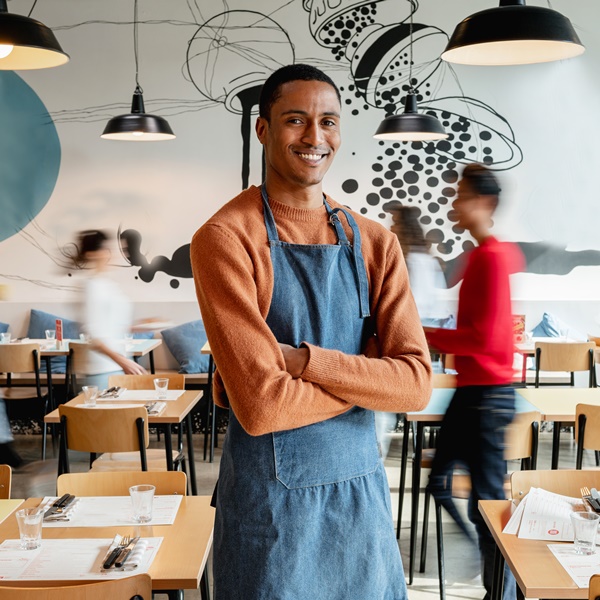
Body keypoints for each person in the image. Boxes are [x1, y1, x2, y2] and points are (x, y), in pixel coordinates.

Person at [191, 64, 432, 599]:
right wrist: (369, 381)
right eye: (295, 120)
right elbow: (262, 407)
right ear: (263, 129)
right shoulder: (226, 238)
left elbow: (415, 385)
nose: (314, 137)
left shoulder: (375, 243)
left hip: (361, 499)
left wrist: (300, 363)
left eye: (328, 122)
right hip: (270, 512)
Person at [424, 163, 525, 600]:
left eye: (461, 195)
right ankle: (492, 573)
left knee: (483, 500)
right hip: (476, 394)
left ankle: (499, 585)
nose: (454, 203)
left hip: (485, 397)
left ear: (485, 203)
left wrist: (419, 332)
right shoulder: (489, 256)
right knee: (444, 484)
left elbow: (481, 338)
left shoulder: (488, 258)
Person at [75, 230, 146, 389]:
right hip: (101, 370)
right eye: (106, 249)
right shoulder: (90, 287)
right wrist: (122, 360)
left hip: (117, 366)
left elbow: (111, 325)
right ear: (92, 254)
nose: (111, 253)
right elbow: (93, 335)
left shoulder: (107, 285)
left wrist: (139, 326)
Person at [390, 205, 448, 324]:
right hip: (430, 320)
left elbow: (417, 301)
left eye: (396, 223)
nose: (391, 227)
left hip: (422, 322)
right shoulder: (425, 258)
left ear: (405, 228)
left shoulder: (414, 261)